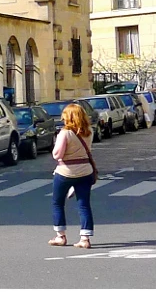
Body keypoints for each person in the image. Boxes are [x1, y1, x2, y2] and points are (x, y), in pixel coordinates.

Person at [49, 102, 96, 249]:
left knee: (57, 203)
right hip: (85, 170)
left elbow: (57, 155)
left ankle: (60, 236)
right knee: (84, 204)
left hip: (66, 171)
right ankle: (85, 238)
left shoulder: (65, 133)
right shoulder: (89, 131)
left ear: (68, 117)